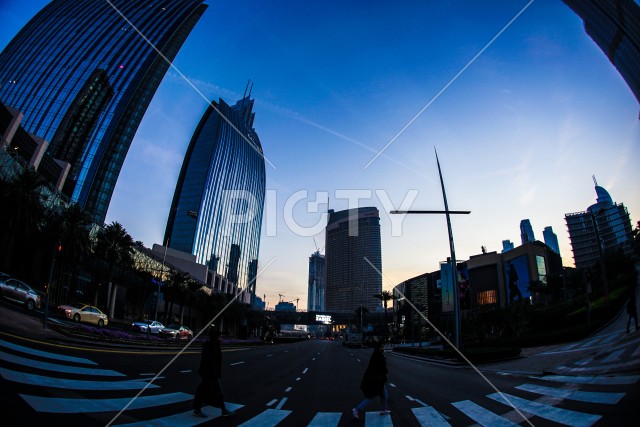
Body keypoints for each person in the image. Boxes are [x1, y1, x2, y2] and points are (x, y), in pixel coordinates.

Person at [193, 327, 233, 418]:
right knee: (217, 392)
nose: (221, 339)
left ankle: (198, 409)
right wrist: (214, 374)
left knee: (206, 390)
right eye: (220, 337)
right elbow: (211, 362)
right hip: (210, 373)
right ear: (215, 337)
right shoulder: (212, 347)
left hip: (209, 373)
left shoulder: (214, 346)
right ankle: (223, 410)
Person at [351, 341, 390, 420]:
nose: (383, 348)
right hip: (377, 381)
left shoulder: (377, 355)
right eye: (381, 347)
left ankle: (383, 410)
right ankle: (356, 409)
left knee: (384, 395)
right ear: (378, 348)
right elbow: (379, 369)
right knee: (371, 397)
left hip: (378, 380)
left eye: (383, 346)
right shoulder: (378, 357)